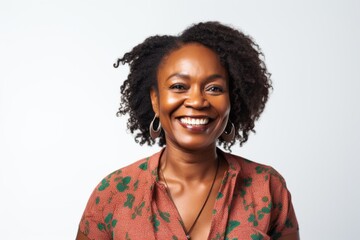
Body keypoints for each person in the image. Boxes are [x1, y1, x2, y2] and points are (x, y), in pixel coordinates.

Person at [76, 21, 299, 240]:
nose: (197, 101)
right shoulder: (113, 194)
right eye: (179, 87)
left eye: (214, 88)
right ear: (155, 99)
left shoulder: (267, 188)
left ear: (232, 99)